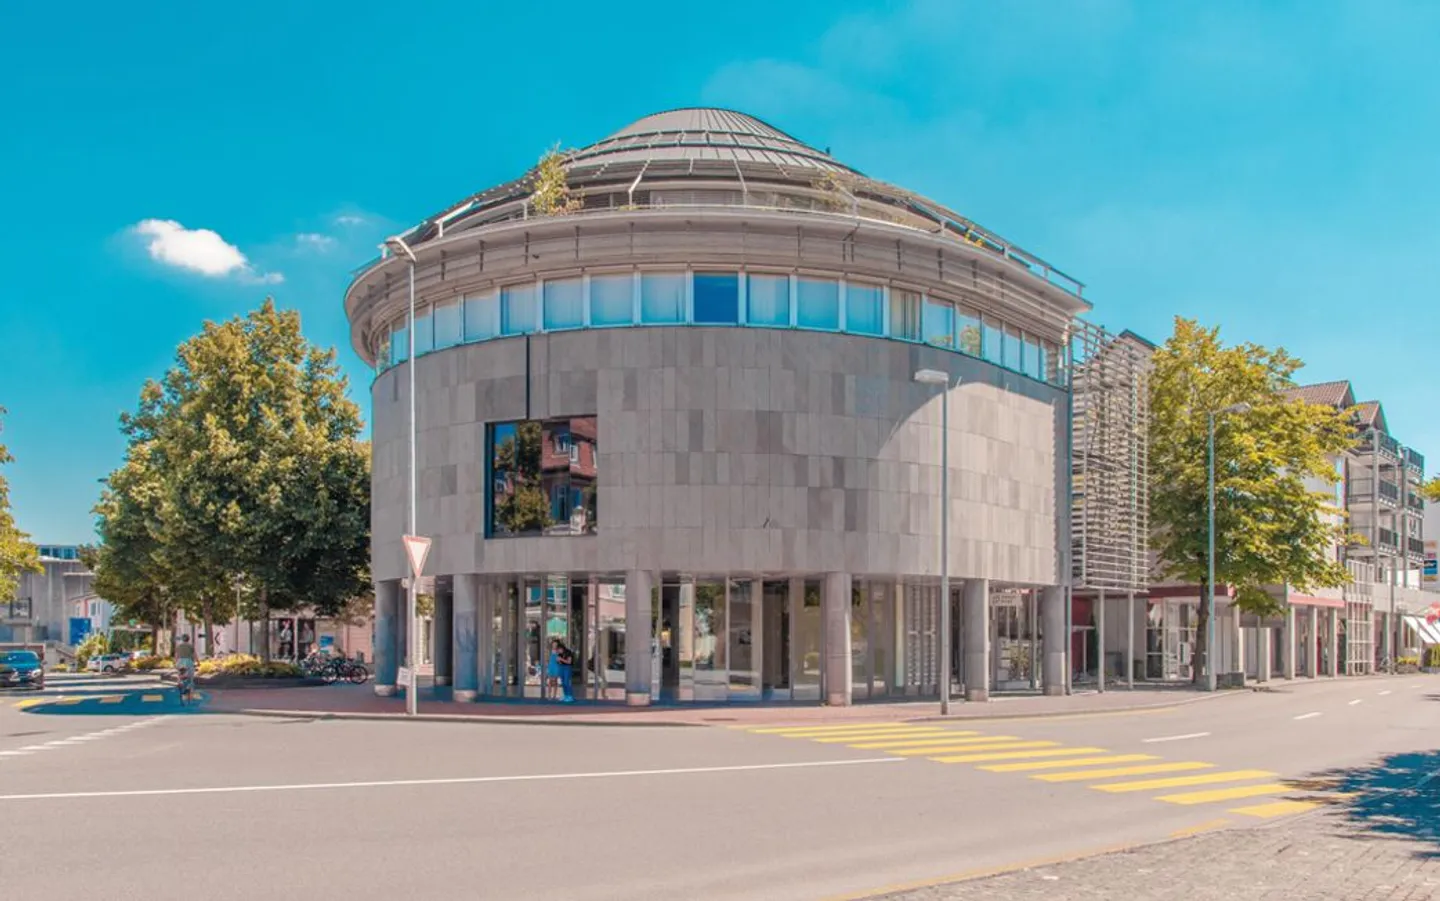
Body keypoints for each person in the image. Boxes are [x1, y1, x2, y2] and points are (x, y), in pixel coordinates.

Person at [549, 638, 575, 703]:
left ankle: (570, 696)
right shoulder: (560, 653)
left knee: (566, 682)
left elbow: (569, 662)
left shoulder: (568, 652)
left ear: (562, 648)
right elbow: (559, 662)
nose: (558, 651)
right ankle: (566, 695)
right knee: (563, 683)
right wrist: (559, 661)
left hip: (567, 668)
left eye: (559, 649)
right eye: (557, 650)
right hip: (562, 668)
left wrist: (561, 659)